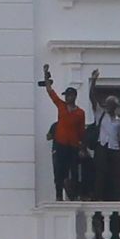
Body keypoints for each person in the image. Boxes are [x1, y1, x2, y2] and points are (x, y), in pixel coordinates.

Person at [41, 70, 86, 202]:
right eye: (66, 96)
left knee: (74, 171)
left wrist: (82, 147)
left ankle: (73, 194)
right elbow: (51, 93)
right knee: (59, 171)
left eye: (69, 95)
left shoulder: (80, 113)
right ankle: (59, 195)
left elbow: (81, 131)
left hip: (72, 145)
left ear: (74, 96)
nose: (67, 98)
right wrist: (46, 77)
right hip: (60, 144)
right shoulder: (61, 106)